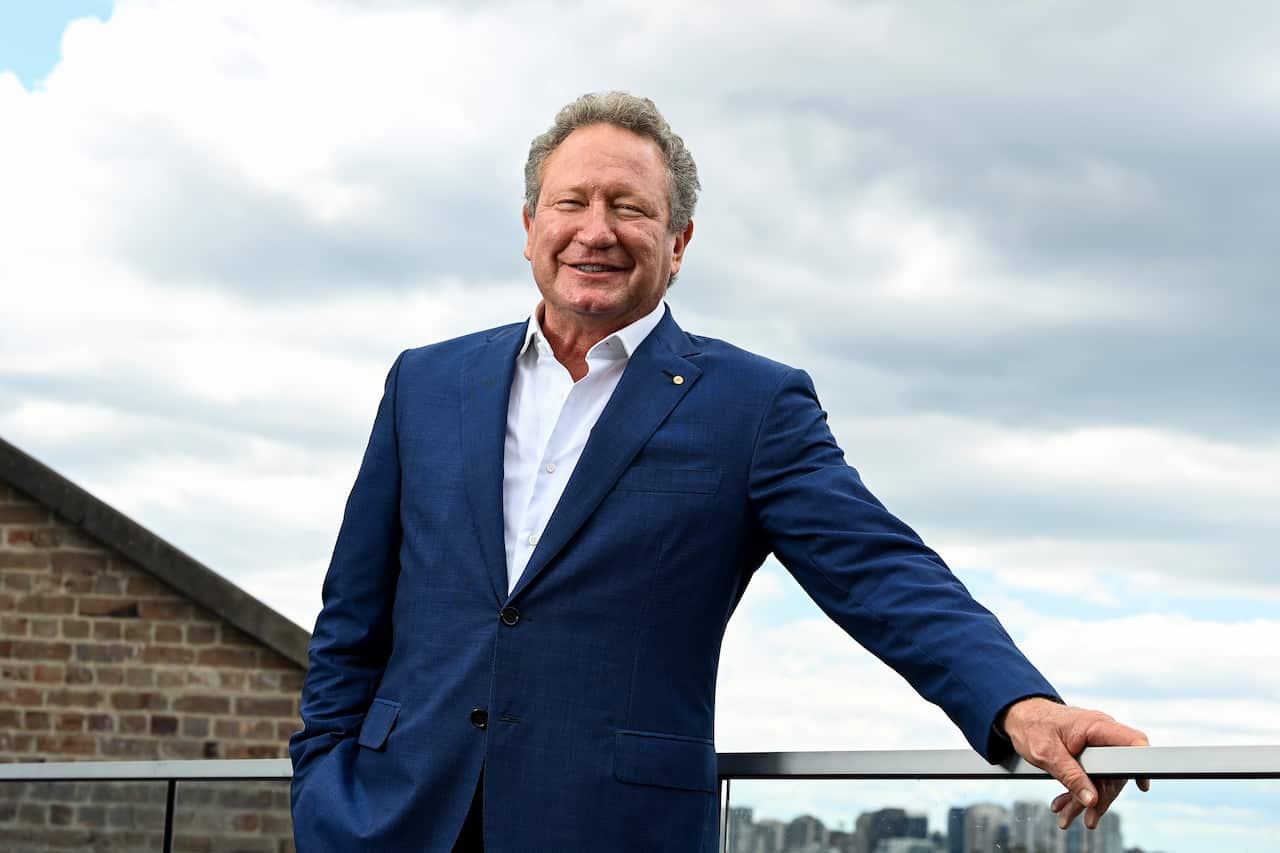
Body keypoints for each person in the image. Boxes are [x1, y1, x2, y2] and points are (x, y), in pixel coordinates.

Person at [289, 91, 1148, 853]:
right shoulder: (425, 382)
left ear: (679, 242)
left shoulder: (753, 404)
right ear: (528, 228)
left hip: (613, 829)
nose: (596, 230)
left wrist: (1019, 706)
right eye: (571, 202)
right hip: (388, 820)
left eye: (629, 207)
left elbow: (880, 571)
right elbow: (352, 614)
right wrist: (322, 782)